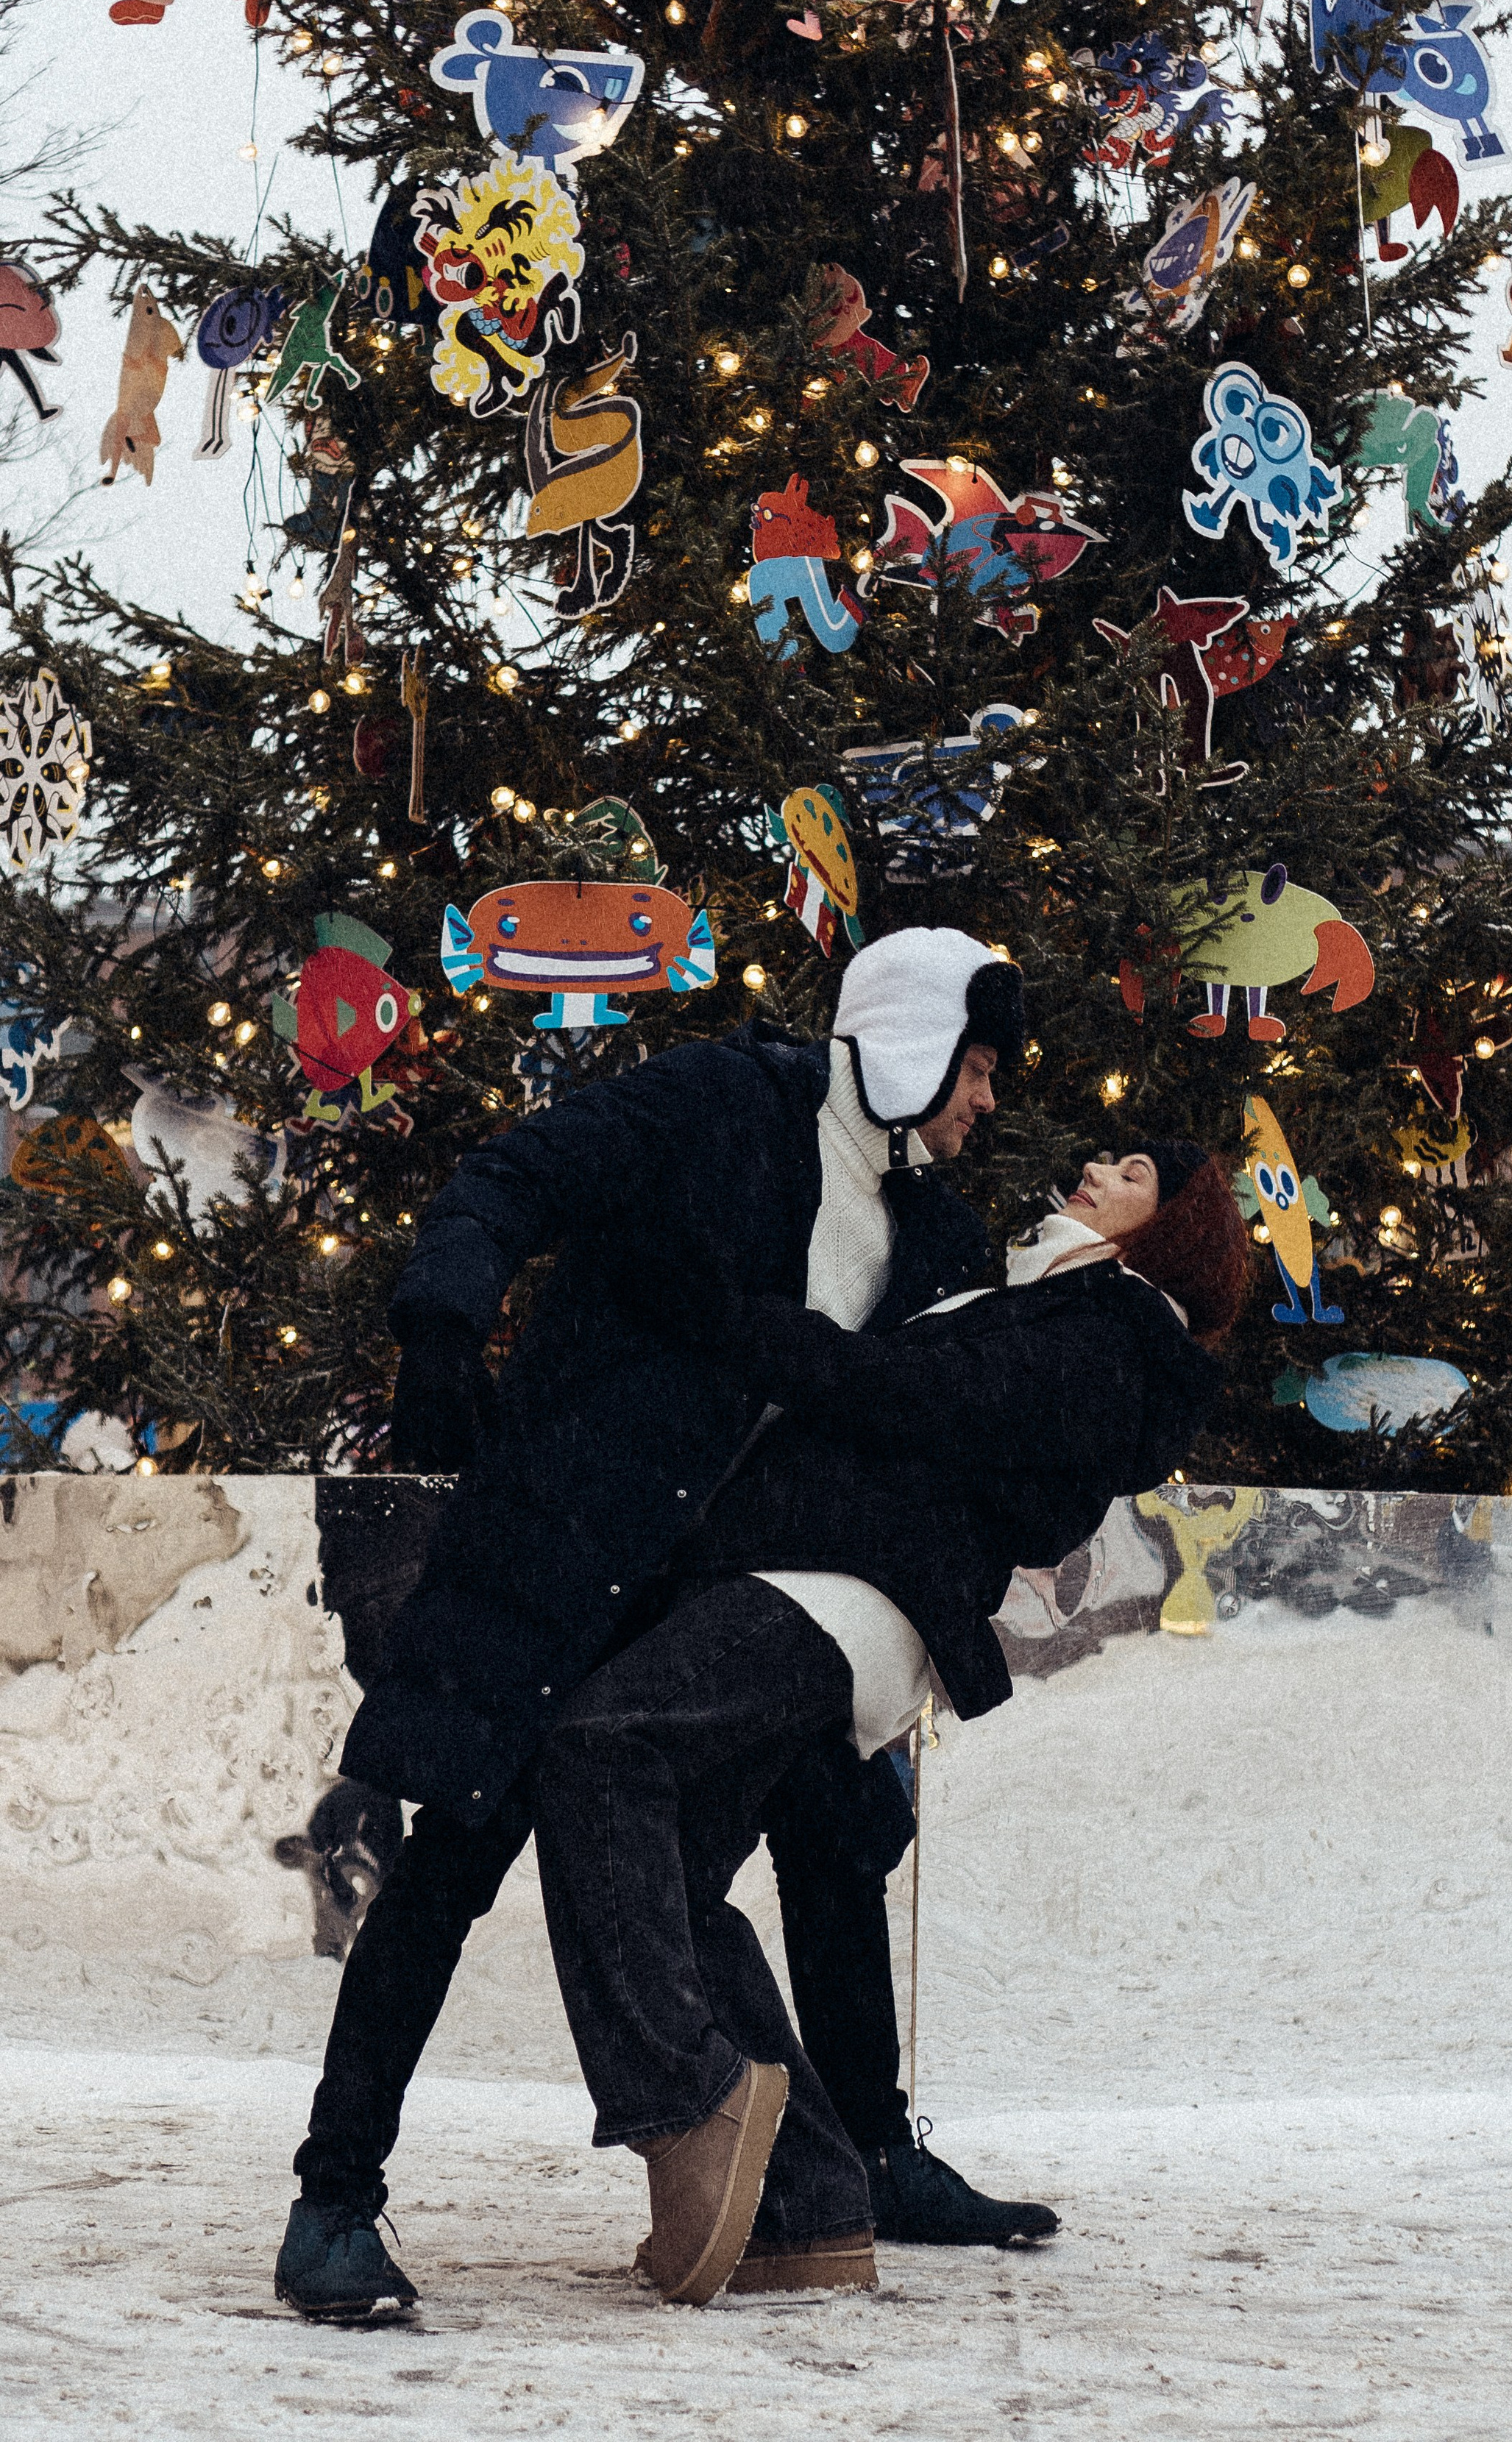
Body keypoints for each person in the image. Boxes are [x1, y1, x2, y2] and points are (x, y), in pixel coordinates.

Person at [276, 929, 1060, 2320]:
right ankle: (333, 2204)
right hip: (555, 1550)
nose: (990, 1099)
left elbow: (936, 1423)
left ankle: (865, 2159)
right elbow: (510, 1177)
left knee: (837, 1839)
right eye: (980, 1064)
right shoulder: (716, 1105)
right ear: (908, 1034)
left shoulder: (932, 1228)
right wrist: (446, 1322)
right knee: (452, 1869)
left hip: (712, 1597)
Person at [529, 1143, 1250, 2303]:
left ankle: (684, 2099)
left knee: (600, 1746)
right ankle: (808, 2204)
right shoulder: (1040, 1298)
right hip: (800, 1573)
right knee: (665, 1873)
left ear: (1175, 1230)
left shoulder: (1122, 1331)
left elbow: (930, 1402)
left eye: (1132, 1173)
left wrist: (737, 1324)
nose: (1094, 1167)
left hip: (846, 1590)